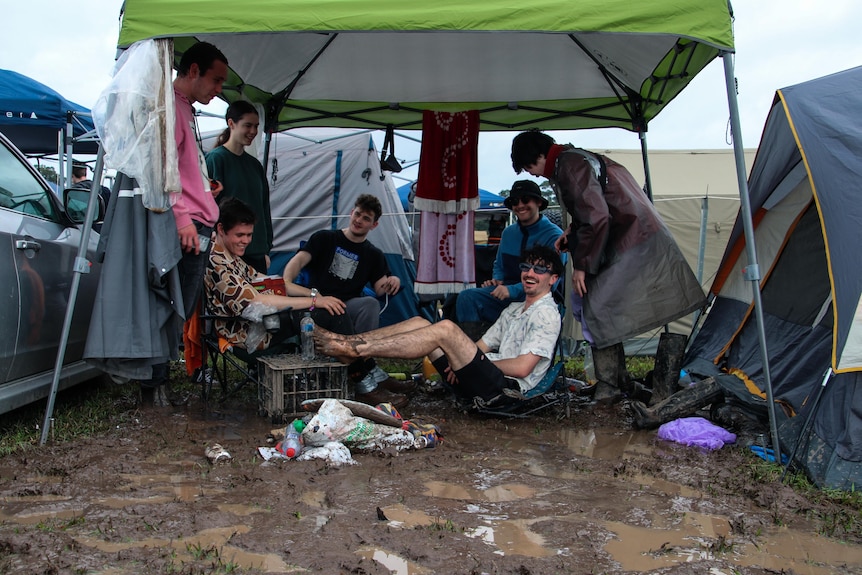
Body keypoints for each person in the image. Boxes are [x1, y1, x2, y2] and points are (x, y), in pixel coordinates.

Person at [511, 130, 705, 402]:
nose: (533, 174)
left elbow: (597, 216)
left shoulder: (570, 165)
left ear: (540, 156)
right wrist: (571, 232)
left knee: (597, 306)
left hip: (635, 238)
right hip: (629, 236)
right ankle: (618, 381)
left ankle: (611, 387)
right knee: (597, 308)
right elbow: (590, 209)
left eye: (530, 167)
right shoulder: (574, 158)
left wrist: (582, 265)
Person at [210, 198, 410, 407]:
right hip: (245, 332)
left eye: (249, 235)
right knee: (333, 313)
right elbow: (257, 298)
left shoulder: (233, 258)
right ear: (221, 229)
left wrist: (318, 298)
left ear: (374, 224)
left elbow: (273, 283)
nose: (245, 241)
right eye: (240, 235)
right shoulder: (217, 262)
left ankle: (361, 372)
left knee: (338, 308)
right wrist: (314, 300)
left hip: (262, 320)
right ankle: (363, 382)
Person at [313, 245, 563, 403]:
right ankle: (348, 343)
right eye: (527, 267)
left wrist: (476, 363)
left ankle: (353, 351)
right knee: (420, 322)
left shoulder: (547, 314)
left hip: (508, 389)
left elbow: (522, 368)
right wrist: (464, 361)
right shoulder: (514, 309)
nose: (530, 273)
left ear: (553, 279)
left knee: (445, 328)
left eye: (540, 270)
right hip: (481, 378)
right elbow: (481, 346)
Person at [140, 41, 228, 405]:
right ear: (193, 70)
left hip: (198, 218)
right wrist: (181, 218)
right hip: (188, 224)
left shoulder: (185, 111)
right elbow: (162, 170)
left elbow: (181, 168)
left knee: (181, 305)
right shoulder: (172, 111)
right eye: (216, 79)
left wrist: (205, 191)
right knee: (170, 306)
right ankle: (153, 387)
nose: (219, 89)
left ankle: (158, 384)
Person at [281, 194, 411, 403]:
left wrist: (393, 279)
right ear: (351, 213)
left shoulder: (373, 254)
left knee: (368, 304)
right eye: (357, 214)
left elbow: (380, 289)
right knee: (338, 311)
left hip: (347, 304)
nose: (359, 220)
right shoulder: (325, 238)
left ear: (374, 224)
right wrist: (288, 282)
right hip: (316, 302)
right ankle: (366, 376)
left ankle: (364, 360)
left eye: (366, 218)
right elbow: (298, 261)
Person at [452, 179, 564, 340]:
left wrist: (510, 290)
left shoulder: (554, 236)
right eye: (514, 202)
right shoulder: (508, 233)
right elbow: (499, 264)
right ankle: (473, 352)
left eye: (525, 200)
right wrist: (497, 281)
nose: (520, 205)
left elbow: (552, 282)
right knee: (467, 297)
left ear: (539, 202)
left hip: (538, 300)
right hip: (507, 296)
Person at [206, 101, 273, 274]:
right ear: (231, 123)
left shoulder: (255, 166)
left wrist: (265, 248)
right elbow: (209, 207)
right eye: (248, 125)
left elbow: (264, 208)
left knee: (260, 301)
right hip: (227, 254)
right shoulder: (216, 159)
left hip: (257, 253)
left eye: (256, 126)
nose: (253, 132)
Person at [70, 161, 111, 231]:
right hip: (104, 231)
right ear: (85, 172)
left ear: (72, 176)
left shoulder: (73, 193)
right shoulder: (105, 190)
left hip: (82, 231)